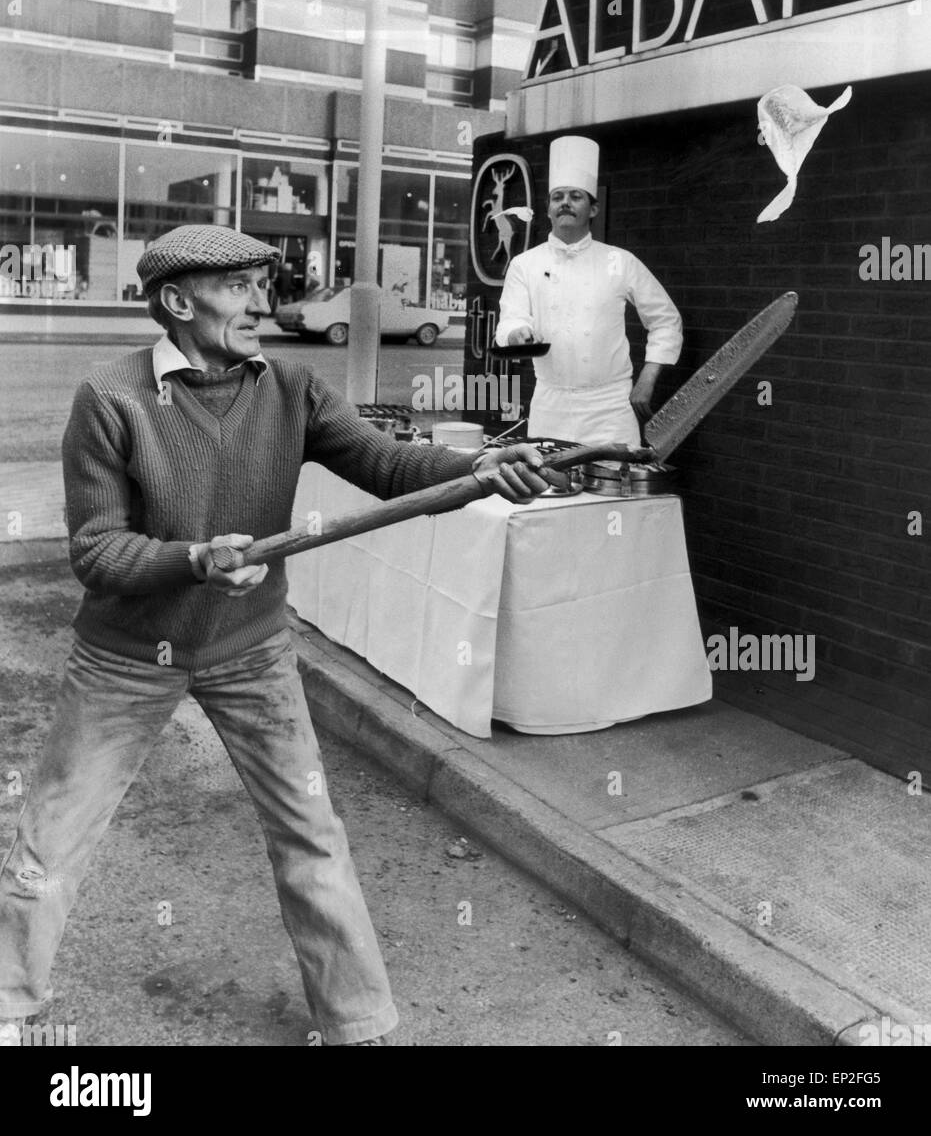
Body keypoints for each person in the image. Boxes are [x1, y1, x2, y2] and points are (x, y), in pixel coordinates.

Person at [0, 224, 548, 1048]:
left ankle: (357, 1020)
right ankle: (8, 1003)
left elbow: (389, 465)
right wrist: (193, 558)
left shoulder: (292, 389)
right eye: (236, 288)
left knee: (309, 830)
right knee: (54, 835)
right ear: (178, 303)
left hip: (250, 649)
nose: (260, 301)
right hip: (124, 659)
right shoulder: (110, 399)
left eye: (260, 282)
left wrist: (482, 472)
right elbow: (96, 551)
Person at [495, 135, 683, 446]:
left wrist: (647, 379)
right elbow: (511, 319)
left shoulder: (619, 261)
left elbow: (665, 319)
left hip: (609, 407)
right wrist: (517, 334)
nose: (565, 203)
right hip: (550, 404)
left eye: (575, 196)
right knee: (549, 490)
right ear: (548, 209)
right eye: (557, 197)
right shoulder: (524, 264)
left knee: (615, 490)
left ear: (593, 208)